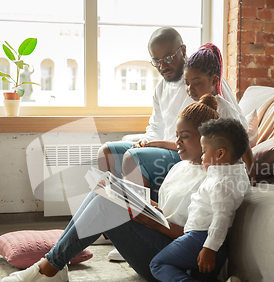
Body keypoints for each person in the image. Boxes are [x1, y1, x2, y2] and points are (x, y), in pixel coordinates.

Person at [0, 95, 249, 282]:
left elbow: (196, 236)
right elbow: (169, 208)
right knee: (106, 189)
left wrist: (150, 220)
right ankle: (56, 264)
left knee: (108, 200)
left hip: (181, 262)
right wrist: (146, 204)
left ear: (206, 139)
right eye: (177, 135)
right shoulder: (181, 167)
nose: (177, 143)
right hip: (164, 241)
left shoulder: (213, 180)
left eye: (185, 137)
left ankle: (49, 268)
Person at [97, 27, 243, 190]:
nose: (162, 66)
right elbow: (156, 126)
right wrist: (147, 141)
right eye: (156, 61)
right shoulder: (160, 88)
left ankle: (143, 214)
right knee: (106, 153)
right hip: (162, 148)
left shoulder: (203, 79)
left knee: (133, 158)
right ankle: (115, 208)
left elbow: (237, 125)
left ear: (183, 50)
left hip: (187, 154)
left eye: (167, 58)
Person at [150, 116, 251, 282]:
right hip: (216, 247)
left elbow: (222, 217)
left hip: (200, 240)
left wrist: (208, 248)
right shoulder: (238, 173)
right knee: (197, 279)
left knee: (158, 265)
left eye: (204, 151)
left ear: (220, 154)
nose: (202, 156)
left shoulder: (218, 183)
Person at [183, 43, 256, 185]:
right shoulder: (197, 109)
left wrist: (252, 178)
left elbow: (244, 144)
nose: (190, 89)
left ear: (214, 81)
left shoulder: (224, 109)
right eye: (187, 83)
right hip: (208, 166)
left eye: (197, 83)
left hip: (226, 172)